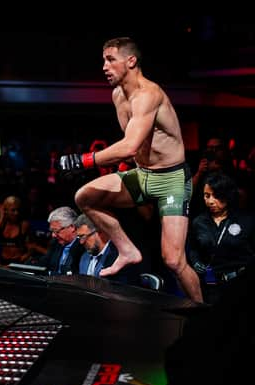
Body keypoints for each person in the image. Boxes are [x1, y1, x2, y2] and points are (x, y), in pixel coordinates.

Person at [58, 37, 202, 302]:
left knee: (173, 260)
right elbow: (135, 148)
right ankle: (127, 251)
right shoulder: (117, 95)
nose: (104, 66)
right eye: (103, 60)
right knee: (84, 197)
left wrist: (84, 160)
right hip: (143, 174)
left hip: (171, 179)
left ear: (131, 61)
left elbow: (130, 145)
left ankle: (206, 316)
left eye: (110, 59)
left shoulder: (149, 94)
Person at [187, 172, 255, 304]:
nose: (210, 201)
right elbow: (193, 248)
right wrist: (195, 262)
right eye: (206, 196)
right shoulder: (199, 222)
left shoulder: (246, 220)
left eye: (216, 196)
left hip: (239, 285)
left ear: (227, 196)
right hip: (210, 286)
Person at [74, 214, 138, 284]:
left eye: (83, 237)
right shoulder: (84, 257)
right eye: (79, 237)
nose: (81, 242)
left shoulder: (119, 258)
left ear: (100, 232)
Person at [37, 206, 83, 275]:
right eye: (52, 231)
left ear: (72, 227)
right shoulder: (56, 243)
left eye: (56, 231)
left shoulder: (82, 246)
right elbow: (42, 264)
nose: (53, 235)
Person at [0, 195, 31, 265]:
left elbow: (31, 245)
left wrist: (27, 255)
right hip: (3, 261)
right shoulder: (2, 224)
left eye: (17, 210)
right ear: (5, 210)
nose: (16, 213)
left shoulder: (23, 224)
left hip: (18, 261)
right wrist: (1, 217)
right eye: (13, 210)